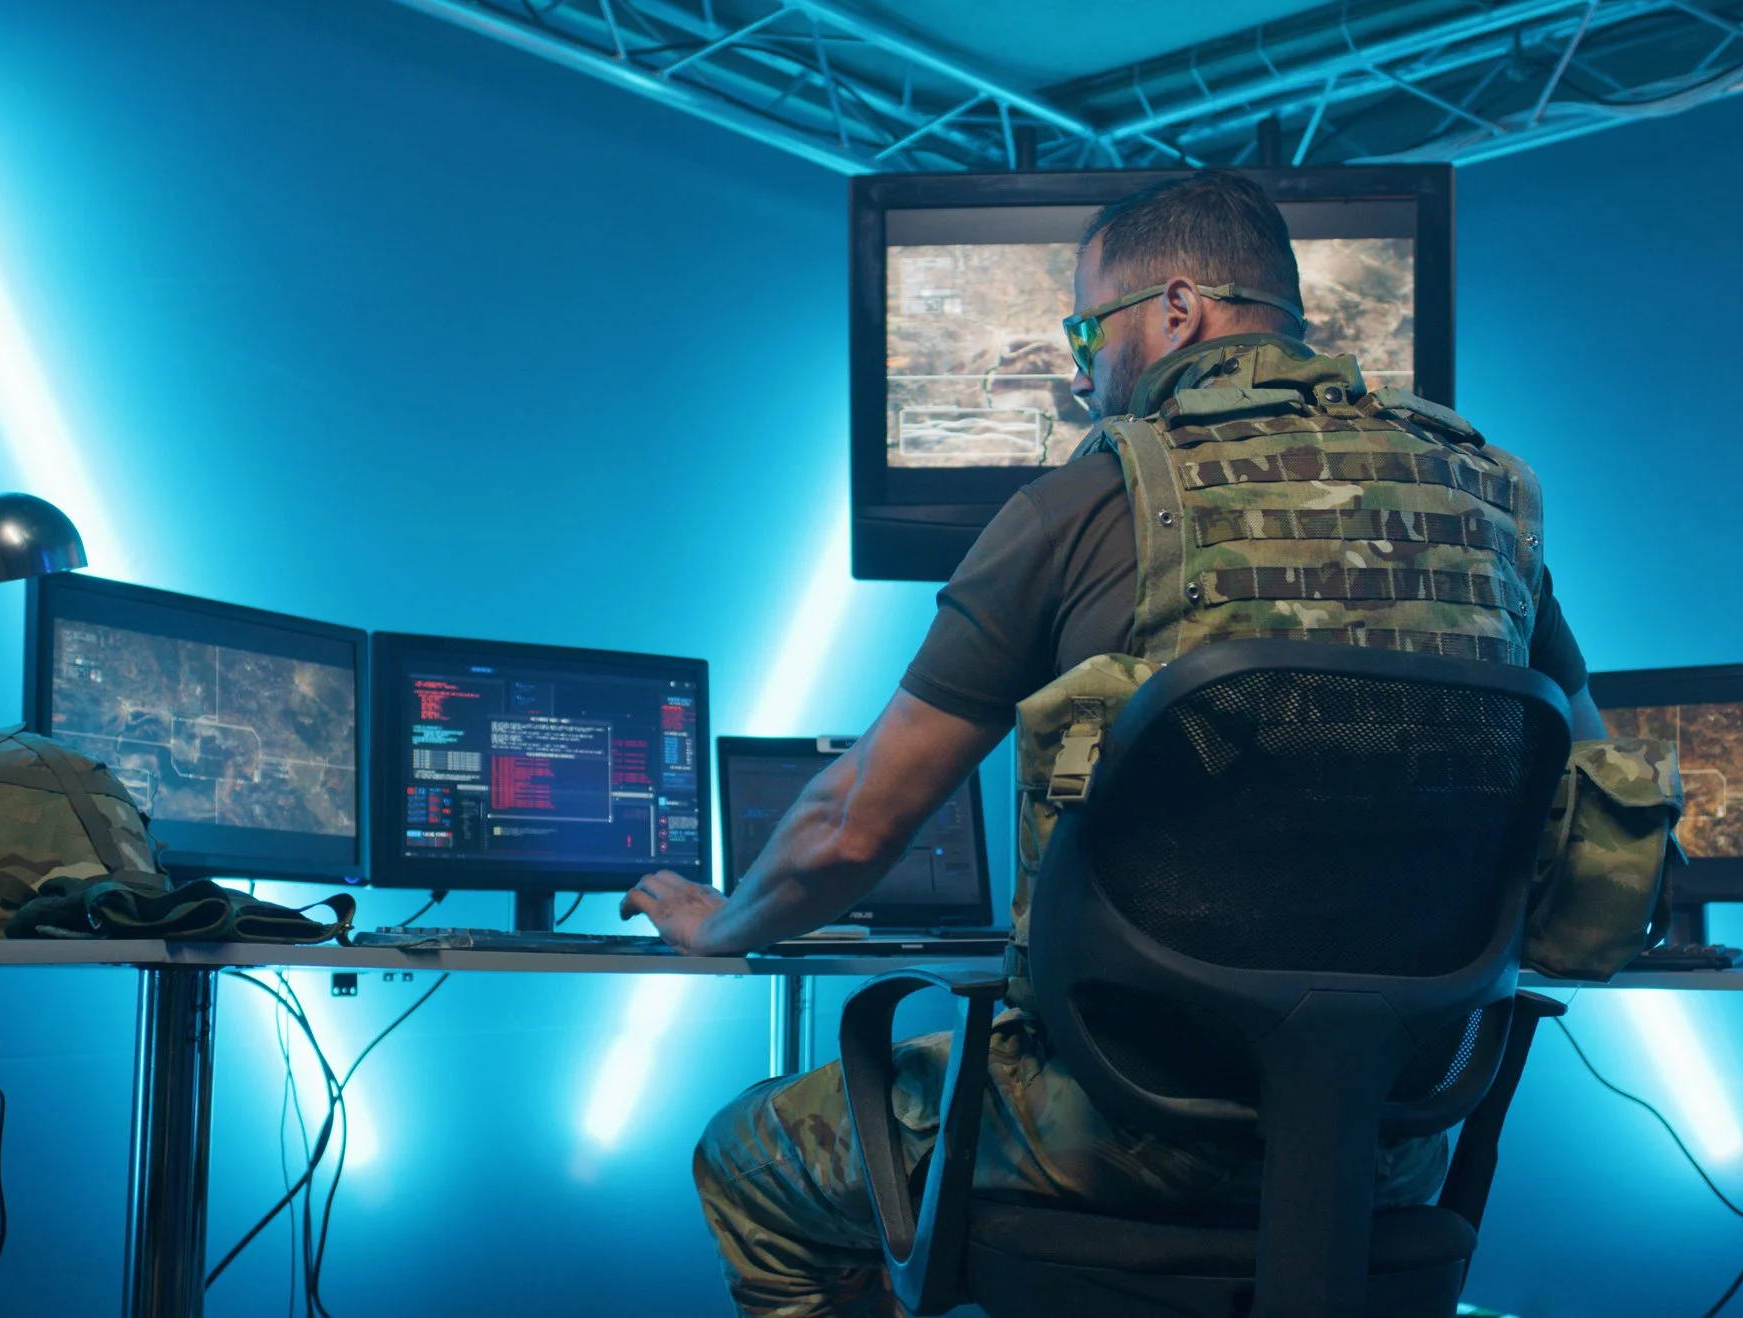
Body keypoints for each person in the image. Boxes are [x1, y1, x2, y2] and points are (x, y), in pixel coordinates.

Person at [620, 170, 1603, 1318]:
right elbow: (1588, 787)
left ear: (1176, 310)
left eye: (1087, 329)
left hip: (1116, 1124)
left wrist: (720, 923)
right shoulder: (1487, 510)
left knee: (750, 1159)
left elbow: (852, 828)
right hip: (1388, 1138)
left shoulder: (1086, 501)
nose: (1081, 370)